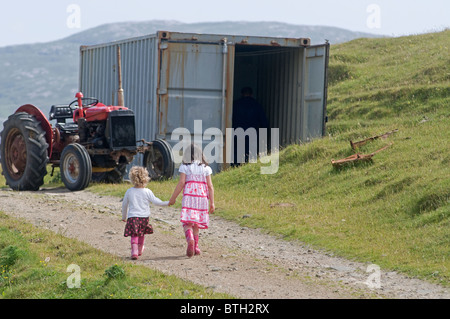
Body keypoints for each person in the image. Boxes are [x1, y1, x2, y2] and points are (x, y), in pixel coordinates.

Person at [169, 143, 215, 258]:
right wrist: (212, 202)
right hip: (202, 199)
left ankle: (190, 239)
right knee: (196, 223)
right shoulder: (206, 168)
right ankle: (196, 246)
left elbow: (181, 183)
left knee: (187, 222)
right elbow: (210, 186)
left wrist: (173, 198)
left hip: (189, 197)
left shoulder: (185, 167)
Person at [122, 166, 169, 260]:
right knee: (141, 234)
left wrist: (124, 216)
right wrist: (168, 203)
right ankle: (139, 249)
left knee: (134, 234)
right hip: (144, 218)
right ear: (146, 178)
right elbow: (156, 201)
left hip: (132, 217)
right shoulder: (147, 192)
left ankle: (134, 251)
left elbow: (124, 205)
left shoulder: (129, 191)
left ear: (132, 178)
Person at [232, 86, 269, 165]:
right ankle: (248, 166)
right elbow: (263, 122)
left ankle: (236, 167)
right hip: (252, 134)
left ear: (241, 94)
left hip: (237, 133)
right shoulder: (257, 105)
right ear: (251, 94)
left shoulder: (235, 105)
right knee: (250, 154)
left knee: (237, 153)